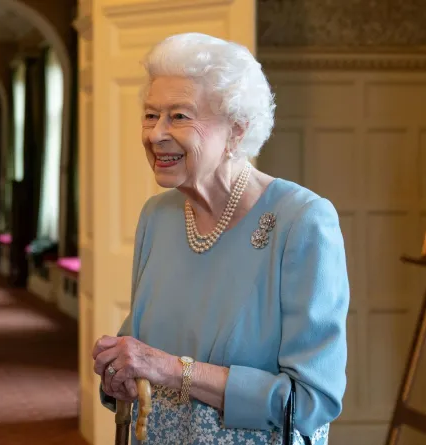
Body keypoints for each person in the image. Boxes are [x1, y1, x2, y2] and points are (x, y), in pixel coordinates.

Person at [92, 32, 349, 445]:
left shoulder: (302, 221)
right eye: (150, 114)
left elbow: (309, 402)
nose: (155, 134)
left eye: (179, 116)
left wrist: (172, 370)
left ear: (236, 130)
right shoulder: (157, 217)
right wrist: (120, 370)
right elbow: (140, 350)